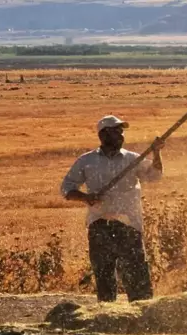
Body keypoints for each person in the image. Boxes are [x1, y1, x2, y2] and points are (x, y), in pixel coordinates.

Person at [61, 115, 164, 303]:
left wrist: (156, 153)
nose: (120, 135)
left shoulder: (133, 159)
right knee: (104, 275)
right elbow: (67, 188)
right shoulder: (87, 161)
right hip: (100, 224)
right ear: (103, 135)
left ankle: (143, 316)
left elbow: (154, 176)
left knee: (137, 275)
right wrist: (85, 197)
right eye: (116, 131)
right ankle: (107, 317)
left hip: (129, 224)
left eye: (121, 131)